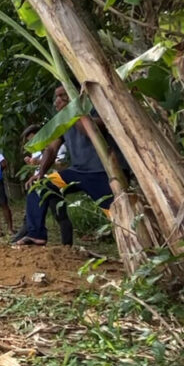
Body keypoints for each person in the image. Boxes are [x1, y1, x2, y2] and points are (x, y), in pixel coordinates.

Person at [16, 86, 113, 246]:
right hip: (77, 171)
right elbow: (52, 148)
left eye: (63, 95)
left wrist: (72, 111)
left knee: (115, 213)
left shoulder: (96, 108)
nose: (58, 101)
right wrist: (40, 173)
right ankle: (36, 234)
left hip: (101, 172)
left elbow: (90, 130)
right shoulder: (64, 120)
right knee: (39, 187)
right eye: (57, 97)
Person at [10, 124, 73, 245]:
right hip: (40, 184)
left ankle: (67, 246)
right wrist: (33, 163)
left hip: (55, 183)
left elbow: (62, 165)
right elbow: (38, 169)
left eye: (34, 139)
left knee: (60, 214)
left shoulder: (59, 146)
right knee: (31, 214)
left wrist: (40, 162)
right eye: (30, 141)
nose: (33, 142)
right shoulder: (37, 151)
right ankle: (23, 239)